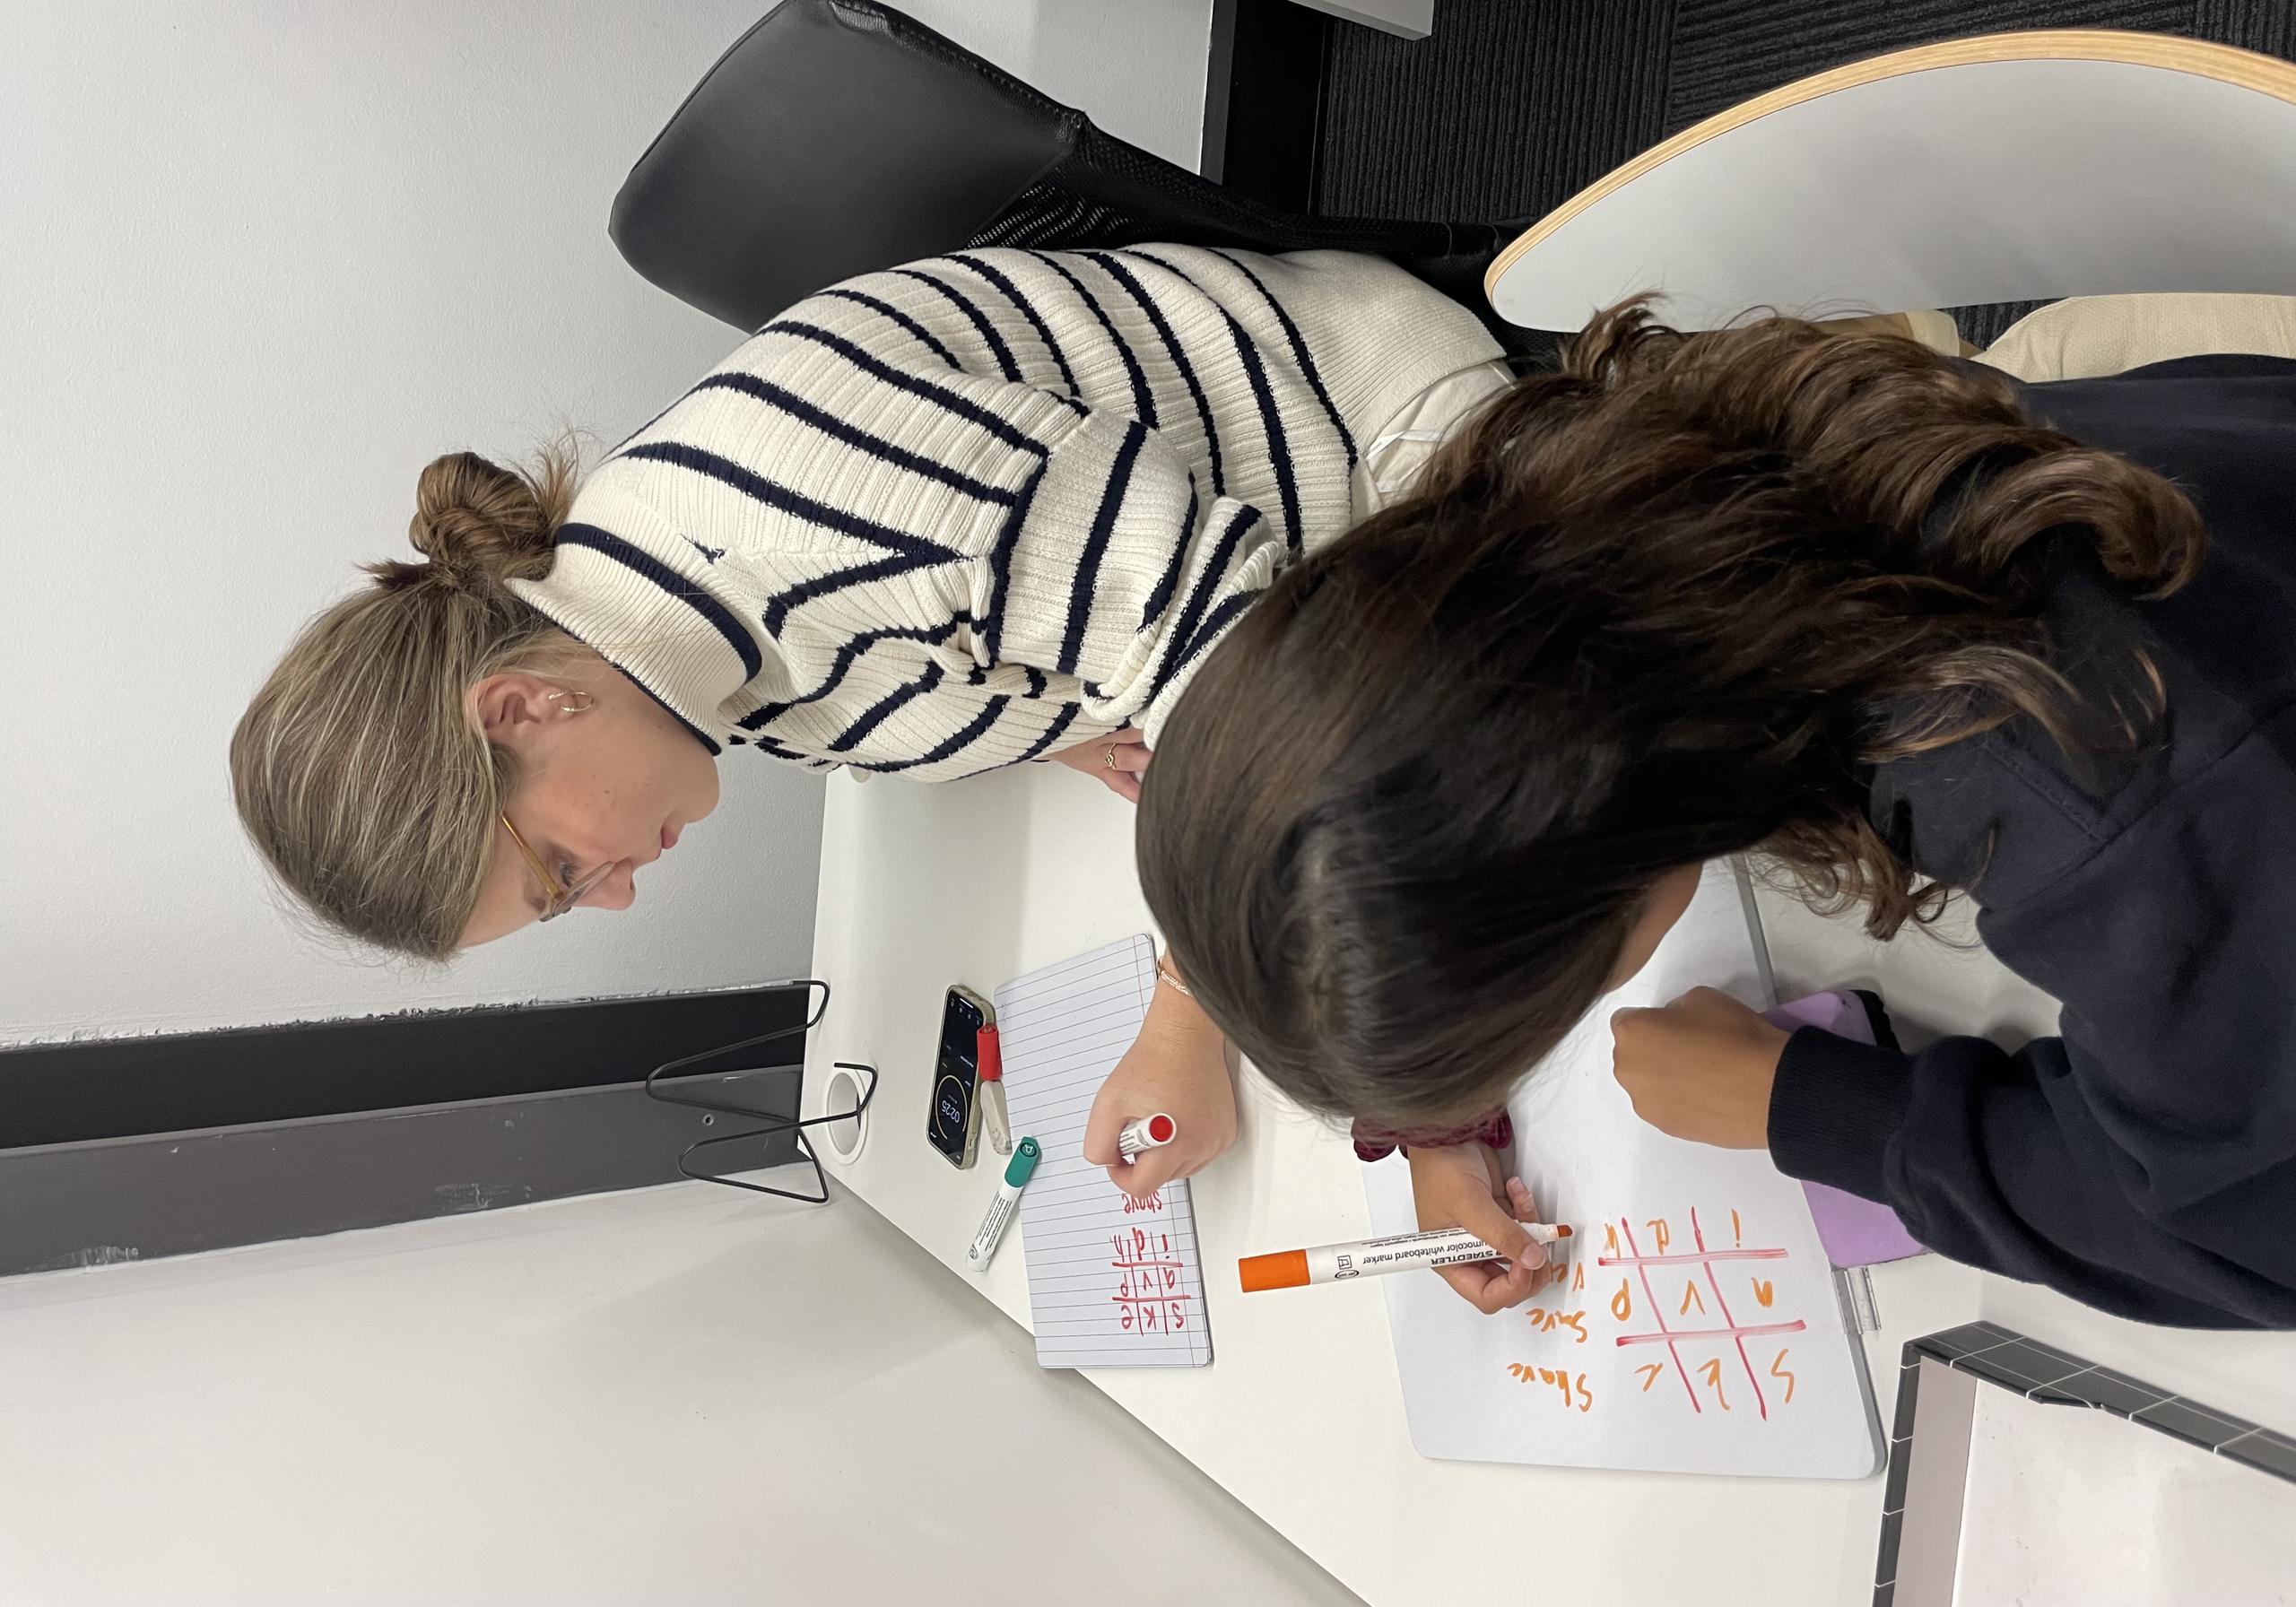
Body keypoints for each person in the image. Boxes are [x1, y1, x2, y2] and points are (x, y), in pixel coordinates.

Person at [231, 243, 1506, 1186]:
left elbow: (1257, 674)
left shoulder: (803, 505)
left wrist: (1207, 1013)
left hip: (1387, 451)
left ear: (519, 707)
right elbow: (924, 674)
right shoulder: (674, 661)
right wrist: (1055, 711)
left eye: (559, 873)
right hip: (1290, 577)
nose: (612, 897)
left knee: (1513, 858)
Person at [1133, 302, 2296, 1328]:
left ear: (1609, 863)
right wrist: (1441, 1102)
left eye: (1558, 1002)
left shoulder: (2081, 791)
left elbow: (2256, 1238)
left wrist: (1821, 1110)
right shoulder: (1633, 501)